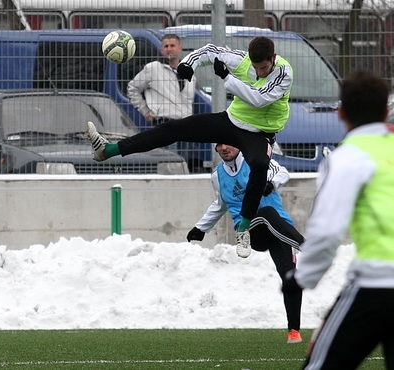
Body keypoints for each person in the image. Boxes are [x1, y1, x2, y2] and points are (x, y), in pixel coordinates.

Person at [282, 71, 394, 369]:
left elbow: (326, 230)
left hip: (378, 285)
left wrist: (302, 278)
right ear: (387, 112)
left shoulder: (348, 157)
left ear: (340, 113)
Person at [86, 36, 293, 257]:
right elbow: (208, 50)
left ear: (272, 58)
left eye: (263, 68)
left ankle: (244, 228)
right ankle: (107, 150)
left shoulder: (283, 73)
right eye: (255, 67)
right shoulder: (242, 60)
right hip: (233, 122)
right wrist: (188, 64)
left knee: (259, 165)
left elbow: (257, 99)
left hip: (260, 133)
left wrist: (226, 77)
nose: (260, 72)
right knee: (174, 129)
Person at [187, 143, 304, 343]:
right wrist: (200, 228)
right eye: (219, 145)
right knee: (265, 214)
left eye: (228, 143)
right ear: (215, 149)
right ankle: (308, 247)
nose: (224, 148)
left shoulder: (256, 160)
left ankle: (294, 331)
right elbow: (219, 204)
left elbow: (282, 172)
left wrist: (271, 183)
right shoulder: (217, 175)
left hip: (280, 231)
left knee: (291, 277)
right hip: (252, 230)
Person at [127, 34, 195, 127]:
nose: (169, 49)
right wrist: (145, 111)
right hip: (164, 123)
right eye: (166, 46)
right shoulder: (153, 68)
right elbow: (133, 88)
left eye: (172, 46)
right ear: (162, 50)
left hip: (186, 125)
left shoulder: (189, 71)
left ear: (180, 48)